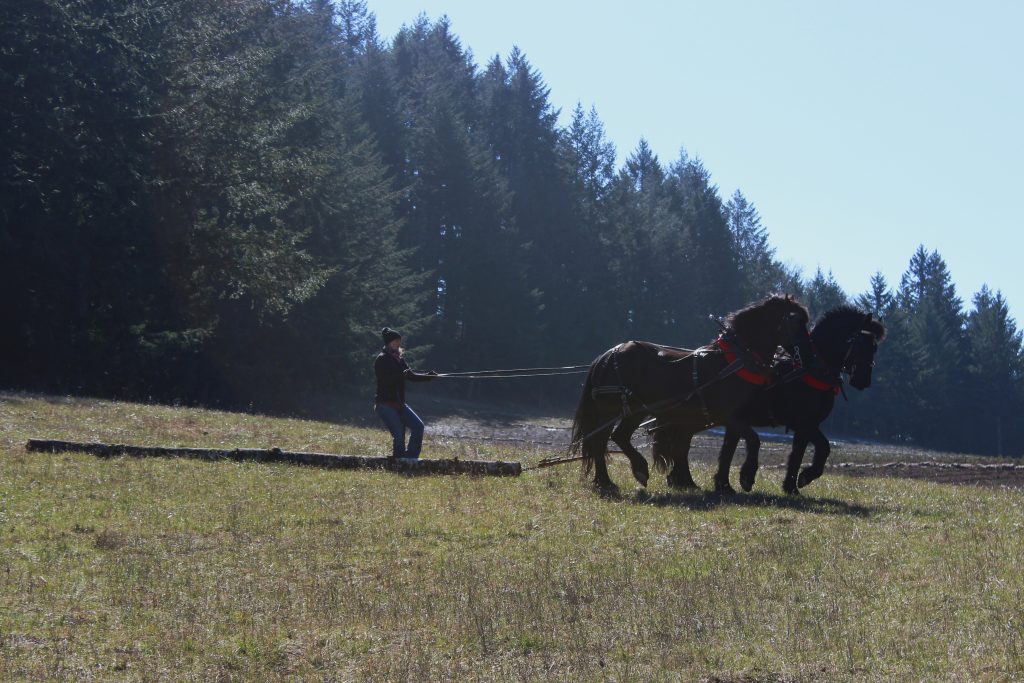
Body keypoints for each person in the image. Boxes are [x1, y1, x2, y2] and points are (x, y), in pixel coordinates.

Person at [374, 327, 437, 459]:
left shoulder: (399, 360)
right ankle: (399, 461)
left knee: (418, 426)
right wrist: (401, 374)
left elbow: (411, 376)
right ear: (389, 343)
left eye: (399, 341)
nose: (398, 344)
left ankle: (410, 459)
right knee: (399, 433)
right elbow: (386, 380)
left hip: (399, 404)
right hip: (384, 404)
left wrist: (429, 376)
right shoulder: (381, 359)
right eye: (395, 341)